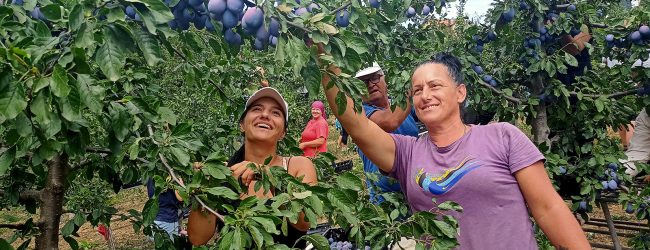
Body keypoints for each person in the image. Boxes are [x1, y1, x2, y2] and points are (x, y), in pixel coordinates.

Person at [317, 46, 589, 249]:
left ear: (460, 93)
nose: (425, 95)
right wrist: (321, 46)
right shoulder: (407, 153)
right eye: (417, 90)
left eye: (435, 85)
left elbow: (548, 208)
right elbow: (354, 121)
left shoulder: (503, 136)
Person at [186, 87, 318, 247]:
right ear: (242, 124)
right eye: (257, 109)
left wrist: (268, 175)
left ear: (283, 132)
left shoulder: (297, 165)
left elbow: (305, 221)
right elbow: (198, 239)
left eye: (275, 113)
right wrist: (206, 186)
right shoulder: (224, 173)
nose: (265, 115)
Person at [353, 62, 420, 204]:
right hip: (385, 199)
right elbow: (389, 122)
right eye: (364, 82)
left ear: (385, 80)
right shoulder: (360, 112)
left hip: (416, 188)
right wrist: (414, 87)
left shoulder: (400, 107)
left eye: (375, 78)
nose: (371, 84)